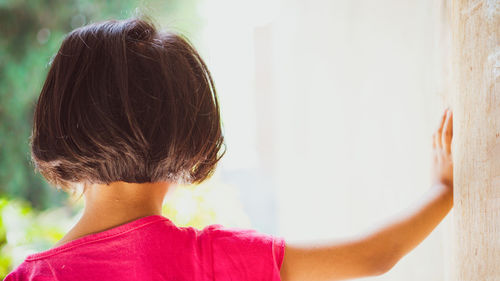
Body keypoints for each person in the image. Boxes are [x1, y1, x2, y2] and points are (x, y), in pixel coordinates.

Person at [4, 18, 454, 281]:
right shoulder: (210, 260)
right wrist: (446, 190)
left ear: (61, 126)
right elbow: (372, 256)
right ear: (189, 135)